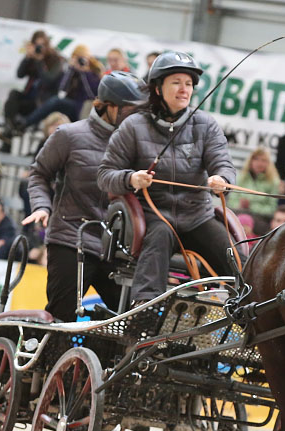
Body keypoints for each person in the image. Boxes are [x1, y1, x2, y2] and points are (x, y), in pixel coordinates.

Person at [98, 51, 236, 306]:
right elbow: (105, 175)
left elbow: (223, 163)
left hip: (198, 217)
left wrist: (221, 178)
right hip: (154, 216)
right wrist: (131, 179)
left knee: (236, 260)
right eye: (176, 83)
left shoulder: (206, 124)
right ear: (158, 89)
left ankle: (250, 308)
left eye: (188, 84)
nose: (184, 90)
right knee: (159, 236)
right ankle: (145, 309)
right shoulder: (133, 125)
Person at [24, 71, 145, 320]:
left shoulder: (136, 145)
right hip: (71, 239)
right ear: (110, 107)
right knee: (62, 317)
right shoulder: (68, 135)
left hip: (115, 247)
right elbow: (38, 174)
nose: (137, 117)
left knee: (130, 319)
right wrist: (41, 206)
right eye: (132, 110)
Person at [19, 45, 101, 129]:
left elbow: (91, 94)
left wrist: (84, 72)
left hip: (83, 108)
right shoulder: (73, 71)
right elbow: (62, 88)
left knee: (56, 101)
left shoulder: (93, 73)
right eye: (77, 58)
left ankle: (27, 122)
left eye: (82, 58)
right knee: (52, 104)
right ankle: (35, 125)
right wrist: (71, 69)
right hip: (72, 106)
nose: (80, 61)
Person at [2, 30, 63, 133]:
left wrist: (39, 61)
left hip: (42, 103)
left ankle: (12, 132)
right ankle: (10, 128)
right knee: (13, 95)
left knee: (20, 109)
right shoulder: (31, 58)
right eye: (37, 45)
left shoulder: (55, 59)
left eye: (42, 45)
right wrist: (27, 58)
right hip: (28, 98)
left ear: (47, 45)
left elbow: (48, 80)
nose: (40, 48)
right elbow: (19, 75)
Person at [224, 146, 281, 228]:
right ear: (250, 161)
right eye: (256, 159)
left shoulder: (273, 182)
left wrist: (250, 206)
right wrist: (240, 205)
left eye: (263, 160)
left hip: (260, 219)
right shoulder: (241, 177)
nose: (259, 163)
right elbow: (231, 201)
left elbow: (272, 209)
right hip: (239, 214)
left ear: (268, 163)